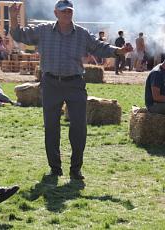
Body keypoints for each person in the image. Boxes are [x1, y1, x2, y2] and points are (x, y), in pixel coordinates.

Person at [9, 0, 132, 180]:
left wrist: (119, 51)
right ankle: (55, 168)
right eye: (64, 11)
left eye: (70, 11)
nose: (67, 14)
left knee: (79, 128)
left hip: (75, 84)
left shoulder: (81, 34)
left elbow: (100, 47)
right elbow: (19, 35)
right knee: (51, 127)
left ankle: (76, 169)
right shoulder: (43, 30)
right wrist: (13, 17)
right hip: (51, 83)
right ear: (56, 13)